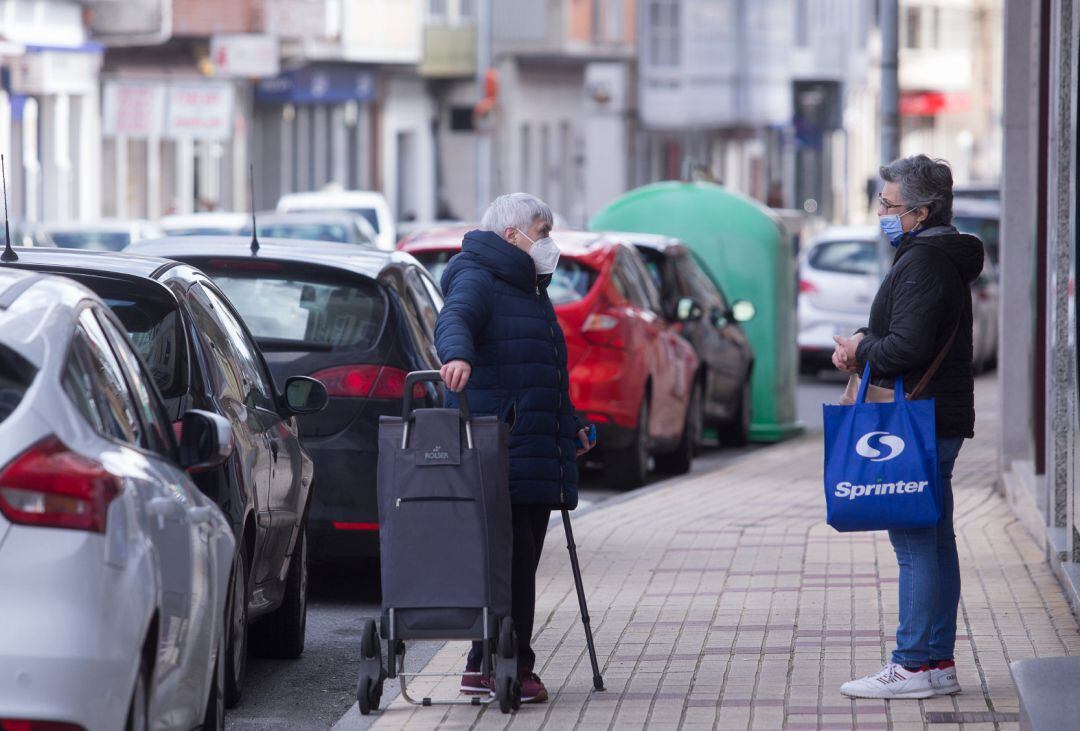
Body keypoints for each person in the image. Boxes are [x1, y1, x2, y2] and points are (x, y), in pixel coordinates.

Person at [832, 155, 984, 700]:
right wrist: (865, 340)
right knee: (935, 542)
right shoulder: (937, 256)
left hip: (917, 421)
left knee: (916, 544)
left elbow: (907, 346)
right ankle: (936, 662)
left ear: (920, 211)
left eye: (888, 205)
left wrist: (858, 349)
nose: (882, 213)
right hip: (935, 416)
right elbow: (909, 331)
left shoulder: (923, 261)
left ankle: (915, 664)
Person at [435, 192, 594, 704]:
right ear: (513, 236)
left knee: (513, 562)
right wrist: (456, 356)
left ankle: (483, 664)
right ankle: (511, 665)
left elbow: (538, 369)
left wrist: (570, 424)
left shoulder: (528, 287)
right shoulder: (477, 275)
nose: (549, 243)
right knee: (513, 564)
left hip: (529, 443)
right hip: (499, 448)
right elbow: (454, 318)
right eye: (542, 232)